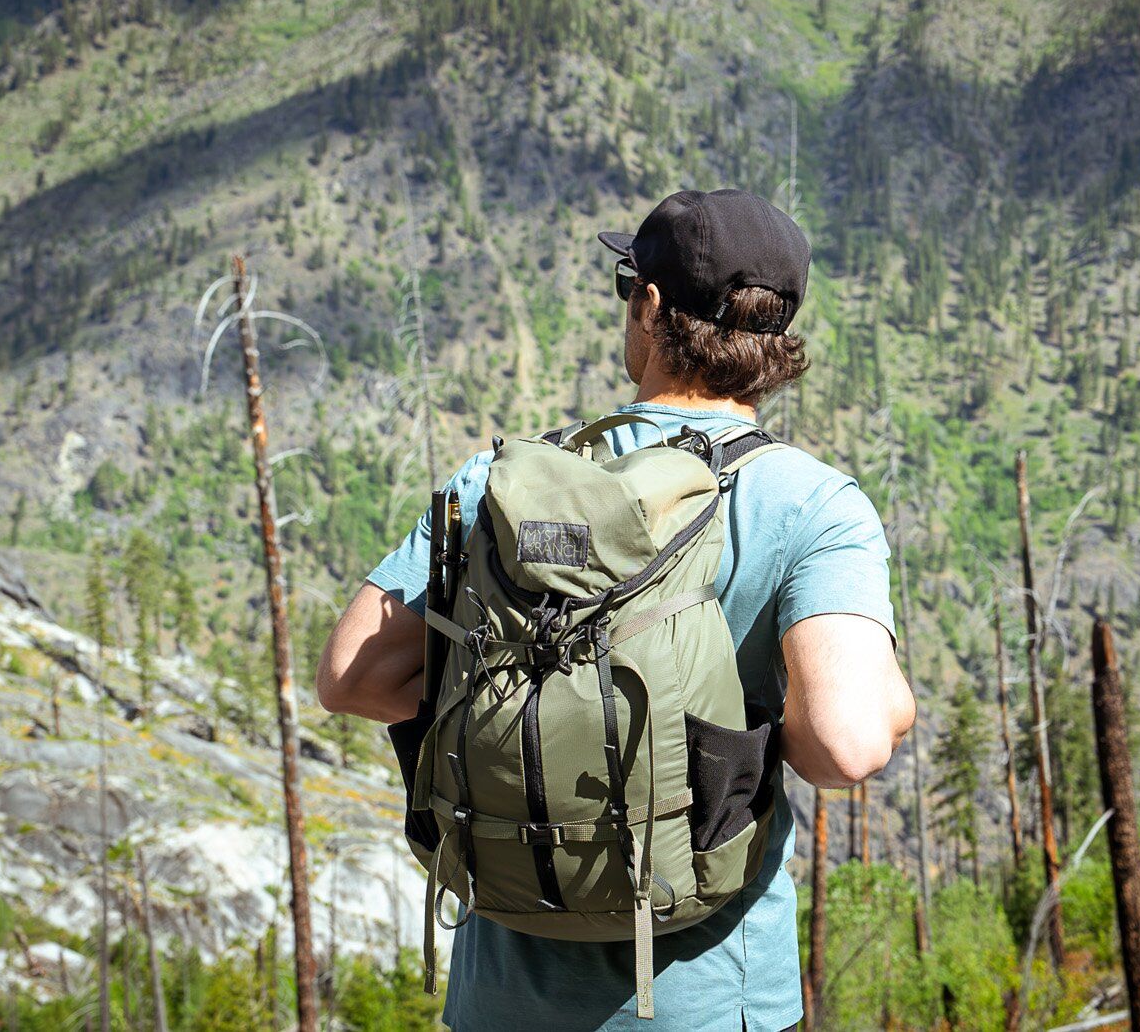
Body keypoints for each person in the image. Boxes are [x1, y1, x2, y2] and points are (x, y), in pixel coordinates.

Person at [316, 188, 916, 1031]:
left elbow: (351, 677)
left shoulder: (502, 485)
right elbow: (845, 748)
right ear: (777, 339)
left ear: (651, 306)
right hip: (712, 1000)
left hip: (501, 1001)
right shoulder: (813, 504)